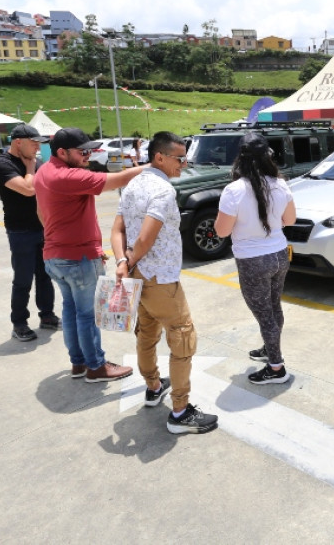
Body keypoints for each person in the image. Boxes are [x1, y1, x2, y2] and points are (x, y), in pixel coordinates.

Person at [111, 132, 218, 434]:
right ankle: (181, 411)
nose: (184, 164)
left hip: (137, 275)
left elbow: (117, 230)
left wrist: (122, 263)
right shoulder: (163, 190)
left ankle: (153, 386)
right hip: (159, 277)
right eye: (179, 158)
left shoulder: (132, 185)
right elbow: (146, 238)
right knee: (182, 336)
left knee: (146, 333)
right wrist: (130, 261)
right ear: (160, 157)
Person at [36, 127, 143, 383]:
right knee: (87, 314)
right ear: (62, 152)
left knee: (72, 311)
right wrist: (156, 167)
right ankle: (95, 366)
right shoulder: (67, 176)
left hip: (56, 255)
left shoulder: (43, 172)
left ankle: (79, 363)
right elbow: (117, 179)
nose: (88, 155)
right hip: (77, 258)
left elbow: (41, 214)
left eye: (90, 150)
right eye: (82, 151)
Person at [215, 132, 296, 385]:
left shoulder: (234, 190)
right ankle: (270, 348)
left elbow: (221, 231)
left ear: (240, 158)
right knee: (273, 307)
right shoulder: (281, 183)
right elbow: (290, 220)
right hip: (279, 255)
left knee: (264, 314)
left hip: (253, 260)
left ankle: (276, 367)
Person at [0, 124, 61, 342]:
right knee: (23, 279)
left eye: (39, 143)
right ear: (18, 142)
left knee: (46, 275)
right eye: (34, 142)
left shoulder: (37, 162)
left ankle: (47, 316)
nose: (38, 147)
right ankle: (19, 323)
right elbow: (28, 189)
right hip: (20, 231)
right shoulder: (0, 164)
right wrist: (30, 170)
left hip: (43, 228)